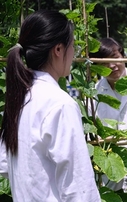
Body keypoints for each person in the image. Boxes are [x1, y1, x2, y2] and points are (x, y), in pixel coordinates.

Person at [0, 10, 100, 201]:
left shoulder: (19, 98)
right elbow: (79, 187)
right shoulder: (60, 104)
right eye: (73, 47)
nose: (73, 54)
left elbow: (5, 164)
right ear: (58, 50)